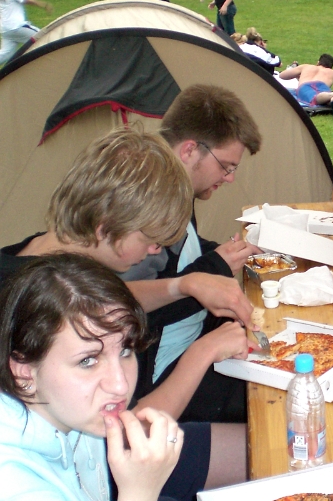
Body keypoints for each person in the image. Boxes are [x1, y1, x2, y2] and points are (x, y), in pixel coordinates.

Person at [0, 128, 257, 422]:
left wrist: (184, 285)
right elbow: (129, 429)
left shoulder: (47, 251)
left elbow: (112, 299)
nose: (154, 250)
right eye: (150, 240)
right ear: (105, 228)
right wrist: (203, 352)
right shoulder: (44, 302)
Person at [0, 254, 184, 501]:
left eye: (126, 350)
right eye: (87, 361)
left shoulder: (71, 413)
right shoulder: (15, 496)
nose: (120, 386)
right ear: (24, 372)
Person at [130, 84, 263, 423]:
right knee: (272, 397)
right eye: (226, 166)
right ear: (190, 150)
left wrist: (218, 252)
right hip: (165, 376)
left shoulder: (177, 188)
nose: (230, 178)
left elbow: (180, 256)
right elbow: (126, 310)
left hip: (195, 336)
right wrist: (215, 265)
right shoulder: (144, 204)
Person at [0, 0, 52, 66]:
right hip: (17, 27)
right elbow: (29, 1)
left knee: (4, 55)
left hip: (6, 31)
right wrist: (45, 5)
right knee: (43, 38)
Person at [279, 53, 333, 119]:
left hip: (305, 86)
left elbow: (282, 75)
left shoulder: (306, 67)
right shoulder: (332, 72)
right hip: (322, 85)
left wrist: (297, 75)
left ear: (318, 62)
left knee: (314, 98)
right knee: (322, 96)